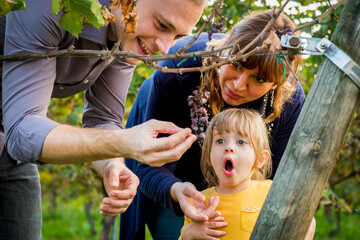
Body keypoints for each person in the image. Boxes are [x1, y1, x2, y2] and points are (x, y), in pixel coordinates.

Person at [0, 0, 206, 238]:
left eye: (177, 35)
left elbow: (103, 117)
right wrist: (125, 143)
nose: (164, 47)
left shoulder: (125, 35)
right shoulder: (53, 5)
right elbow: (23, 130)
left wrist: (112, 164)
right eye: (161, 24)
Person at [121, 10, 307, 239]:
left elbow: (278, 182)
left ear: (276, 86)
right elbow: (151, 167)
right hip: (173, 171)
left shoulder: (289, 100)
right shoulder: (179, 68)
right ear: (225, 47)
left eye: (258, 79)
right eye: (236, 64)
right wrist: (179, 191)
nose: (238, 85)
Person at [180, 108, 272, 240]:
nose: (229, 147)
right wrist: (188, 234)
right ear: (208, 156)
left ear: (260, 159)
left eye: (241, 142)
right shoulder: (199, 202)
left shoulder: (270, 192)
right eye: (220, 141)